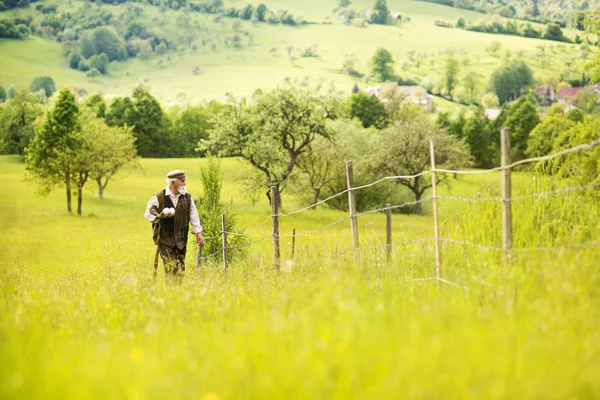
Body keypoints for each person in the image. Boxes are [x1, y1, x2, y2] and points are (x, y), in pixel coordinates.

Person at [144, 169, 204, 276]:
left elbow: (194, 216)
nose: (184, 184)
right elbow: (148, 214)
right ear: (173, 183)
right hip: (165, 239)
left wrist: (199, 233)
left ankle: (176, 291)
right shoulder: (159, 196)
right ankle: (170, 290)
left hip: (181, 240)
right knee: (171, 268)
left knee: (180, 271)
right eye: (182, 181)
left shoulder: (187, 197)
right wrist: (160, 216)